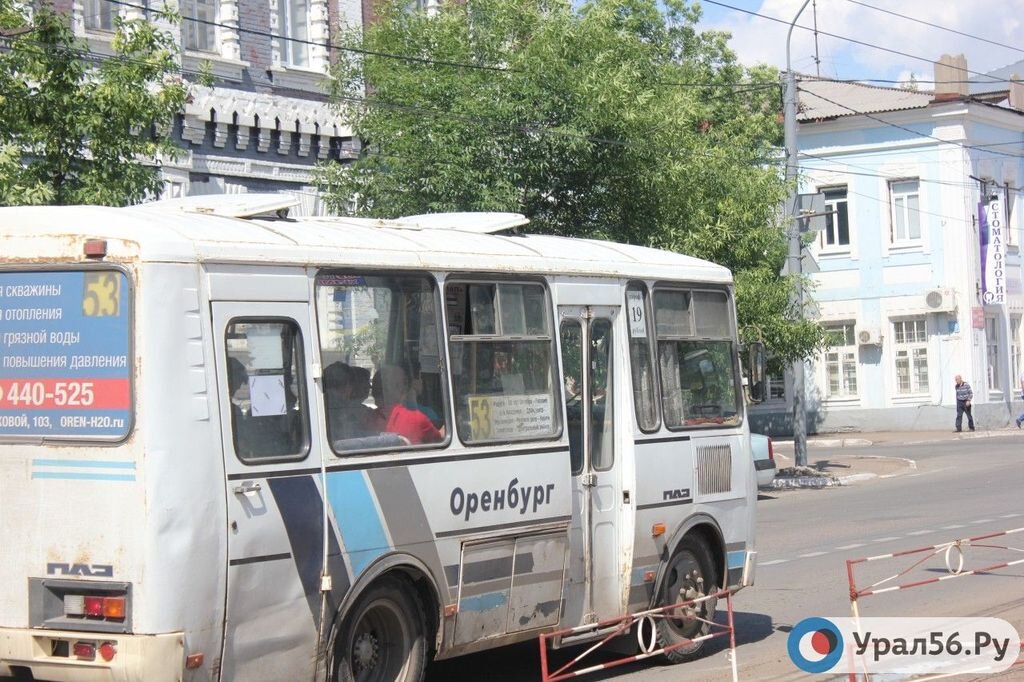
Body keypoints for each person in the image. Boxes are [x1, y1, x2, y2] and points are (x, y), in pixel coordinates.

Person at [374, 364, 445, 445]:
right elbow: (439, 440)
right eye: (405, 384)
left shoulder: (365, 418)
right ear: (402, 388)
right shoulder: (416, 419)